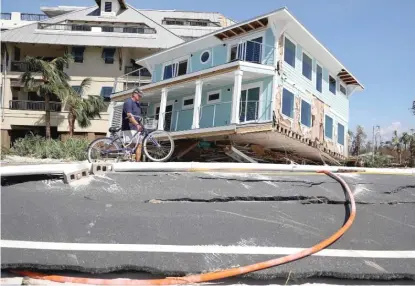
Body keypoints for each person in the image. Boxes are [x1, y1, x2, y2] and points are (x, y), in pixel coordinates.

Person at [122, 88, 144, 162]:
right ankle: (127, 162)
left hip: (136, 128)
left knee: (139, 145)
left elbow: (138, 116)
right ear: (134, 94)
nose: (140, 97)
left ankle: (137, 163)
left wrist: (140, 125)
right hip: (129, 127)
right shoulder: (128, 102)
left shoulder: (138, 104)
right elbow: (129, 115)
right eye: (139, 95)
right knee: (129, 145)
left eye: (141, 96)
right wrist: (137, 124)